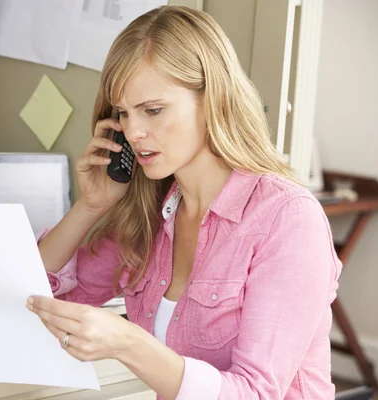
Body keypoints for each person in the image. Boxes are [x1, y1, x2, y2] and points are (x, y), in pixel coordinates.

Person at [26, 5, 342, 400]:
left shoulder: (287, 219)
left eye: (153, 110)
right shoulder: (151, 216)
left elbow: (257, 394)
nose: (134, 132)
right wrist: (90, 207)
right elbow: (40, 298)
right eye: (123, 114)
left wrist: (129, 344)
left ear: (213, 99)